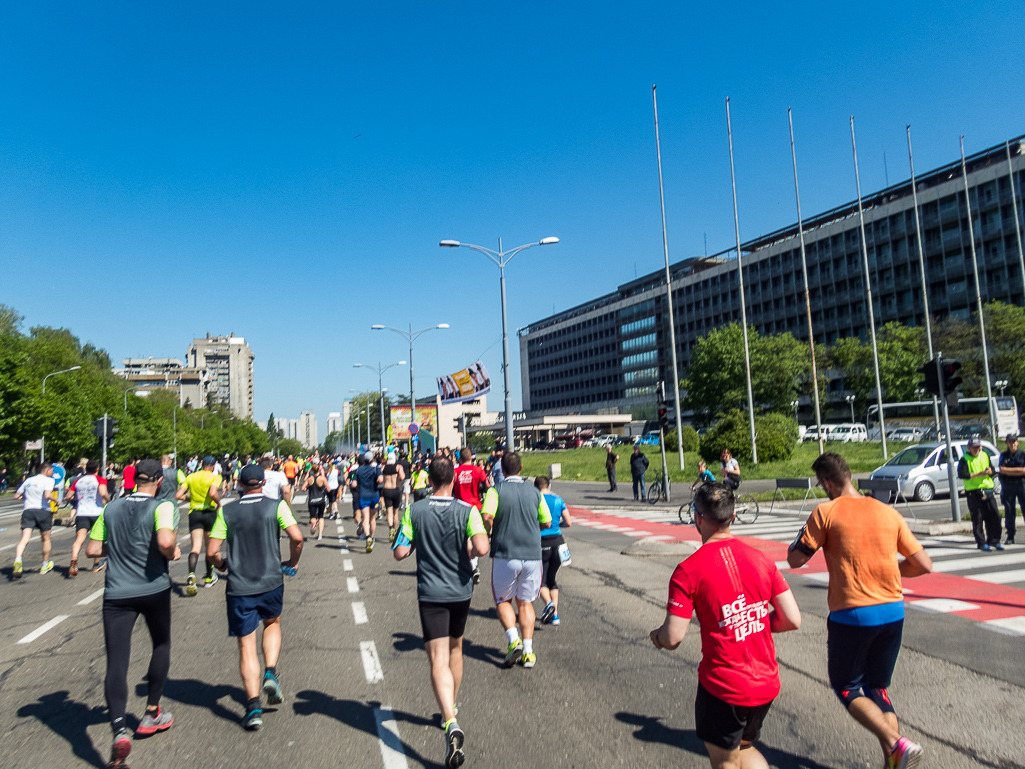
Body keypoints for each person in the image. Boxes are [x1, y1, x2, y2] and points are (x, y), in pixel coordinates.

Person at [788, 452, 932, 769]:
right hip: (893, 611)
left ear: (827, 482)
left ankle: (898, 743)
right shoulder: (887, 512)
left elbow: (795, 560)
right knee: (876, 688)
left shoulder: (826, 511)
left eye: (821, 484)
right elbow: (924, 564)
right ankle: (894, 762)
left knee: (847, 687)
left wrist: (801, 536)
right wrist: (891, 571)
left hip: (853, 614)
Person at [651, 482, 802, 769]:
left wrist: (656, 636)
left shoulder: (688, 571)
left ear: (697, 518)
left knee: (725, 760)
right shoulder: (761, 559)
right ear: (732, 517)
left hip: (724, 686)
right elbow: (792, 619)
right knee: (742, 750)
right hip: (765, 682)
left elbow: (673, 637)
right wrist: (753, 621)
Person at [392, 456, 490, 769]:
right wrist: (470, 545)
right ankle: (452, 707)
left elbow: (400, 552)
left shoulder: (414, 510)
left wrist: (412, 538)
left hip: (431, 593)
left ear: (429, 481)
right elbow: (482, 548)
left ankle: (449, 719)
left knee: (437, 658)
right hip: (461, 591)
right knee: (456, 648)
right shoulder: (469, 510)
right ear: (452, 480)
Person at [86, 459, 180, 769]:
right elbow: (166, 541)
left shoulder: (112, 507)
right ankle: (152, 711)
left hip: (116, 594)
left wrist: (119, 547)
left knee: (117, 661)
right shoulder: (162, 506)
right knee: (161, 644)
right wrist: (172, 552)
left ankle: (118, 730)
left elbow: (92, 550)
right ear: (158, 481)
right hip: (153, 588)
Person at [207, 464, 304, 731]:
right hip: (271, 580)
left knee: (245, 644)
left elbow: (212, 551)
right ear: (263, 482)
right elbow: (297, 537)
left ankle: (253, 708)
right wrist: (292, 561)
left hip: (239, 586)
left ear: (239, 484)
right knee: (272, 623)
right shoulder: (276, 506)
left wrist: (222, 565)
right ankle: (270, 671)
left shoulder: (227, 510)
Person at [481, 452, 551, 669]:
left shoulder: (496, 490)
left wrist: (490, 531)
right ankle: (529, 652)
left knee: (503, 600)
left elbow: (486, 516)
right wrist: (531, 530)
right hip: (532, 554)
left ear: (502, 470)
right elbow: (547, 522)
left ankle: (513, 640)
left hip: (505, 553)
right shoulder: (534, 492)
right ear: (521, 468)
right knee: (526, 602)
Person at [176, 455, 223, 595]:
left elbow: (178, 495)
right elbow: (213, 492)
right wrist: (218, 503)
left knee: (195, 547)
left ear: (202, 464)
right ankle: (209, 577)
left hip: (194, 512)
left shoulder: (191, 477)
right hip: (209, 512)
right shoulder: (215, 477)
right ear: (213, 466)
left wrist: (189, 498)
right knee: (209, 547)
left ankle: (191, 574)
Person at [534, 475, 572, 626]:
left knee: (540, 581)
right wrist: (558, 526)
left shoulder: (536, 500)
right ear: (548, 485)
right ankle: (555, 615)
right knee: (552, 579)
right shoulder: (558, 500)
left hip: (541, 542)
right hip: (558, 542)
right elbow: (568, 522)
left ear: (536, 488)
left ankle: (549, 604)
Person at [957, 437, 1004, 551]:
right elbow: (963, 474)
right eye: (974, 447)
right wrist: (979, 474)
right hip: (974, 492)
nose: (977, 449)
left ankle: (994, 540)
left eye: (978, 447)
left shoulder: (984, 455)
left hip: (988, 490)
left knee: (994, 516)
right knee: (978, 518)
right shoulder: (964, 459)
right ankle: (981, 542)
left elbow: (992, 470)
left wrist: (990, 471)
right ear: (969, 448)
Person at [12, 463, 57, 577]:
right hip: (43, 511)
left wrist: (26, 497)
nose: (52, 473)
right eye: (52, 471)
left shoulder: (28, 480)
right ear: (46, 471)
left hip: (28, 511)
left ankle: (18, 560)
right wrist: (56, 500)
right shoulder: (49, 481)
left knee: (24, 539)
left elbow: (16, 496)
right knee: (46, 539)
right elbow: (47, 495)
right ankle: (44, 565)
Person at [66, 460, 110, 576]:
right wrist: (108, 500)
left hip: (82, 512)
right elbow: (102, 492)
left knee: (79, 539)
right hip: (96, 512)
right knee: (97, 539)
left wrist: (79, 497)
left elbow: (68, 496)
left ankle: (74, 560)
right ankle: (96, 565)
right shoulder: (100, 479)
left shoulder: (78, 481)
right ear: (97, 469)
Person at [452, 447, 489, 585]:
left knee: (465, 539)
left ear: (460, 459)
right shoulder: (479, 471)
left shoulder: (455, 472)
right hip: (476, 508)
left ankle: (469, 566)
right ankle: (474, 566)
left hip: (460, 508)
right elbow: (487, 486)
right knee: (475, 537)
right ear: (472, 458)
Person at [997, 434, 1025, 545]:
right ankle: (1010, 536)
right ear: (1007, 443)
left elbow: (1023, 471)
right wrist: (1016, 470)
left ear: (1017, 442)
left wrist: (1008, 470)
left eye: (1014, 441)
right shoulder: (1003, 456)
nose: (1012, 444)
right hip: (1008, 486)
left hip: (1022, 485)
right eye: (1010, 442)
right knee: (1009, 511)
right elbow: (1001, 470)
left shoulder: (1022, 455)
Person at [355, 451, 383, 553]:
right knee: (372, 519)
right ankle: (372, 536)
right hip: (374, 495)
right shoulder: (376, 469)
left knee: (365, 518)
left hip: (363, 495)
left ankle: (368, 538)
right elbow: (380, 480)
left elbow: (353, 484)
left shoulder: (358, 470)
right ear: (372, 460)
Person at [381, 454, 406, 544]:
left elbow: (380, 479)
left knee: (389, 511)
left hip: (387, 490)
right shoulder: (398, 467)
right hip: (396, 489)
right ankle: (395, 531)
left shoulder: (383, 468)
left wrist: (385, 480)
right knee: (396, 512)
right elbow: (403, 477)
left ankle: (391, 528)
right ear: (395, 458)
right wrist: (398, 479)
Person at [303, 468, 329, 541]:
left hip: (312, 500)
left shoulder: (309, 479)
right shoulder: (322, 478)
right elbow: (328, 489)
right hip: (320, 499)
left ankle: (313, 524)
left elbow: (303, 488)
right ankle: (320, 535)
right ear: (319, 471)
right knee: (321, 517)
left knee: (313, 517)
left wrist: (308, 488)